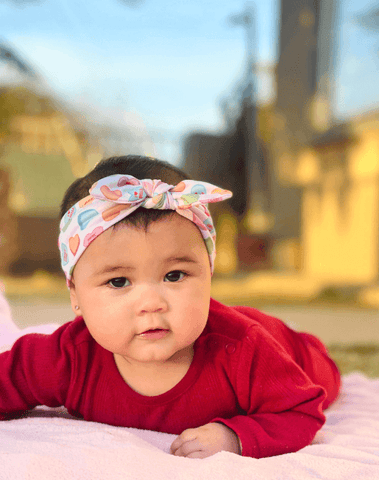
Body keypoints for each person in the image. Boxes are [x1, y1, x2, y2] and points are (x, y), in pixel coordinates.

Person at [0, 155, 340, 459]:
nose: (151, 303)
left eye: (174, 275)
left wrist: (235, 437)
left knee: (326, 375)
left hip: (288, 348)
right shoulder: (67, 357)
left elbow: (302, 412)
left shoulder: (244, 349)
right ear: (75, 294)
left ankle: (314, 348)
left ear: (209, 273)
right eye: (119, 282)